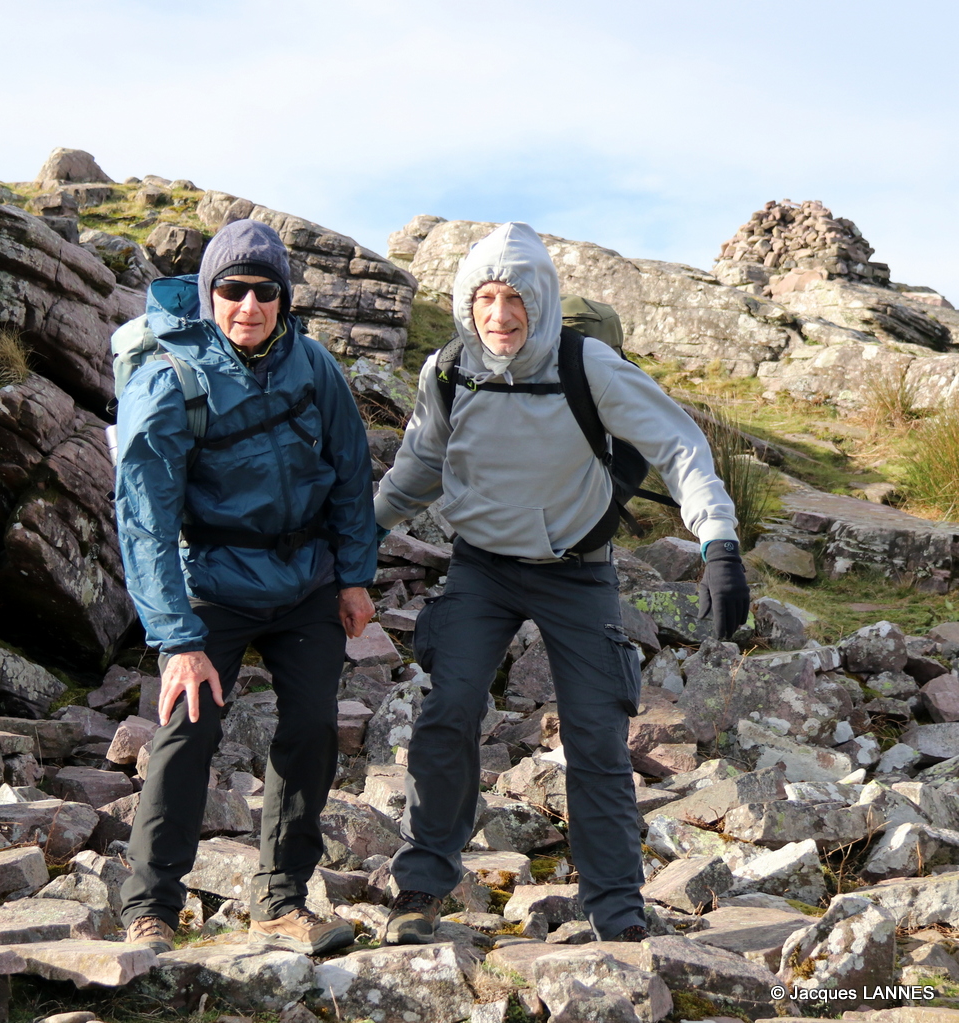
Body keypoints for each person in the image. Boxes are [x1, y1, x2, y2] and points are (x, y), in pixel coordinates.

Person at [373, 222, 749, 944]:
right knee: (448, 709)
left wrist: (719, 543)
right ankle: (420, 887)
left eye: (515, 298)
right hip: (482, 568)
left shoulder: (589, 365)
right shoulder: (449, 370)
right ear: (466, 302)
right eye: (486, 297)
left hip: (578, 573)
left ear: (541, 300)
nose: (500, 314)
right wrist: (359, 537)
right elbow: (418, 467)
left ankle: (617, 914)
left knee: (595, 736)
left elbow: (679, 445)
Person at [114, 219, 376, 956]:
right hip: (213, 583)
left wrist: (355, 577)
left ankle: (282, 901)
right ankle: (151, 908)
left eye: (265, 291)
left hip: (306, 582)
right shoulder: (169, 378)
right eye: (233, 290)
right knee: (187, 728)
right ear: (210, 294)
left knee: (312, 728)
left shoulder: (314, 365)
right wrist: (176, 640)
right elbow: (144, 521)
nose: (249, 306)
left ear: (285, 298)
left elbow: (352, 472)